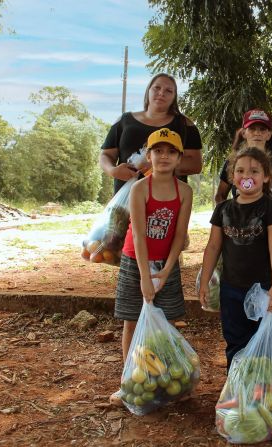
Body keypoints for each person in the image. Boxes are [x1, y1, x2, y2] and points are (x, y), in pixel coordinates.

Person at [110, 128, 193, 406]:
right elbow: (139, 234)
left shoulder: (184, 191)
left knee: (169, 321)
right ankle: (129, 382)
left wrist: (167, 270)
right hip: (136, 261)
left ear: (179, 158)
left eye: (171, 152)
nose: (164, 156)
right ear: (149, 155)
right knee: (132, 321)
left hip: (167, 262)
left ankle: (168, 379)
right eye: (158, 151)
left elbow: (180, 235)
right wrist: (146, 276)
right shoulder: (139, 188)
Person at [199, 147, 272, 369]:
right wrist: (204, 281)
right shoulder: (223, 210)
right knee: (235, 339)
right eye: (240, 170)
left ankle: (264, 391)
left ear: (266, 177)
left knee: (264, 341)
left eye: (254, 171)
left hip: (264, 289)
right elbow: (213, 247)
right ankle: (237, 389)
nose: (246, 176)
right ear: (232, 177)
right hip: (231, 289)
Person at [100, 73, 202, 194]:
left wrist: (156, 165)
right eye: (157, 88)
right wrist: (113, 171)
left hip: (169, 201)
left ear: (174, 97)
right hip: (125, 200)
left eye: (169, 91)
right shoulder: (124, 120)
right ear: (148, 90)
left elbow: (195, 164)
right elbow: (106, 155)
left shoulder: (185, 124)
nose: (161, 93)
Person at [214, 109, 272, 207]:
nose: (257, 133)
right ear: (244, 133)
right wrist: (226, 216)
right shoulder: (233, 160)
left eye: (262, 129)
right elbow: (220, 196)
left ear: (268, 135)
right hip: (241, 220)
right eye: (252, 128)